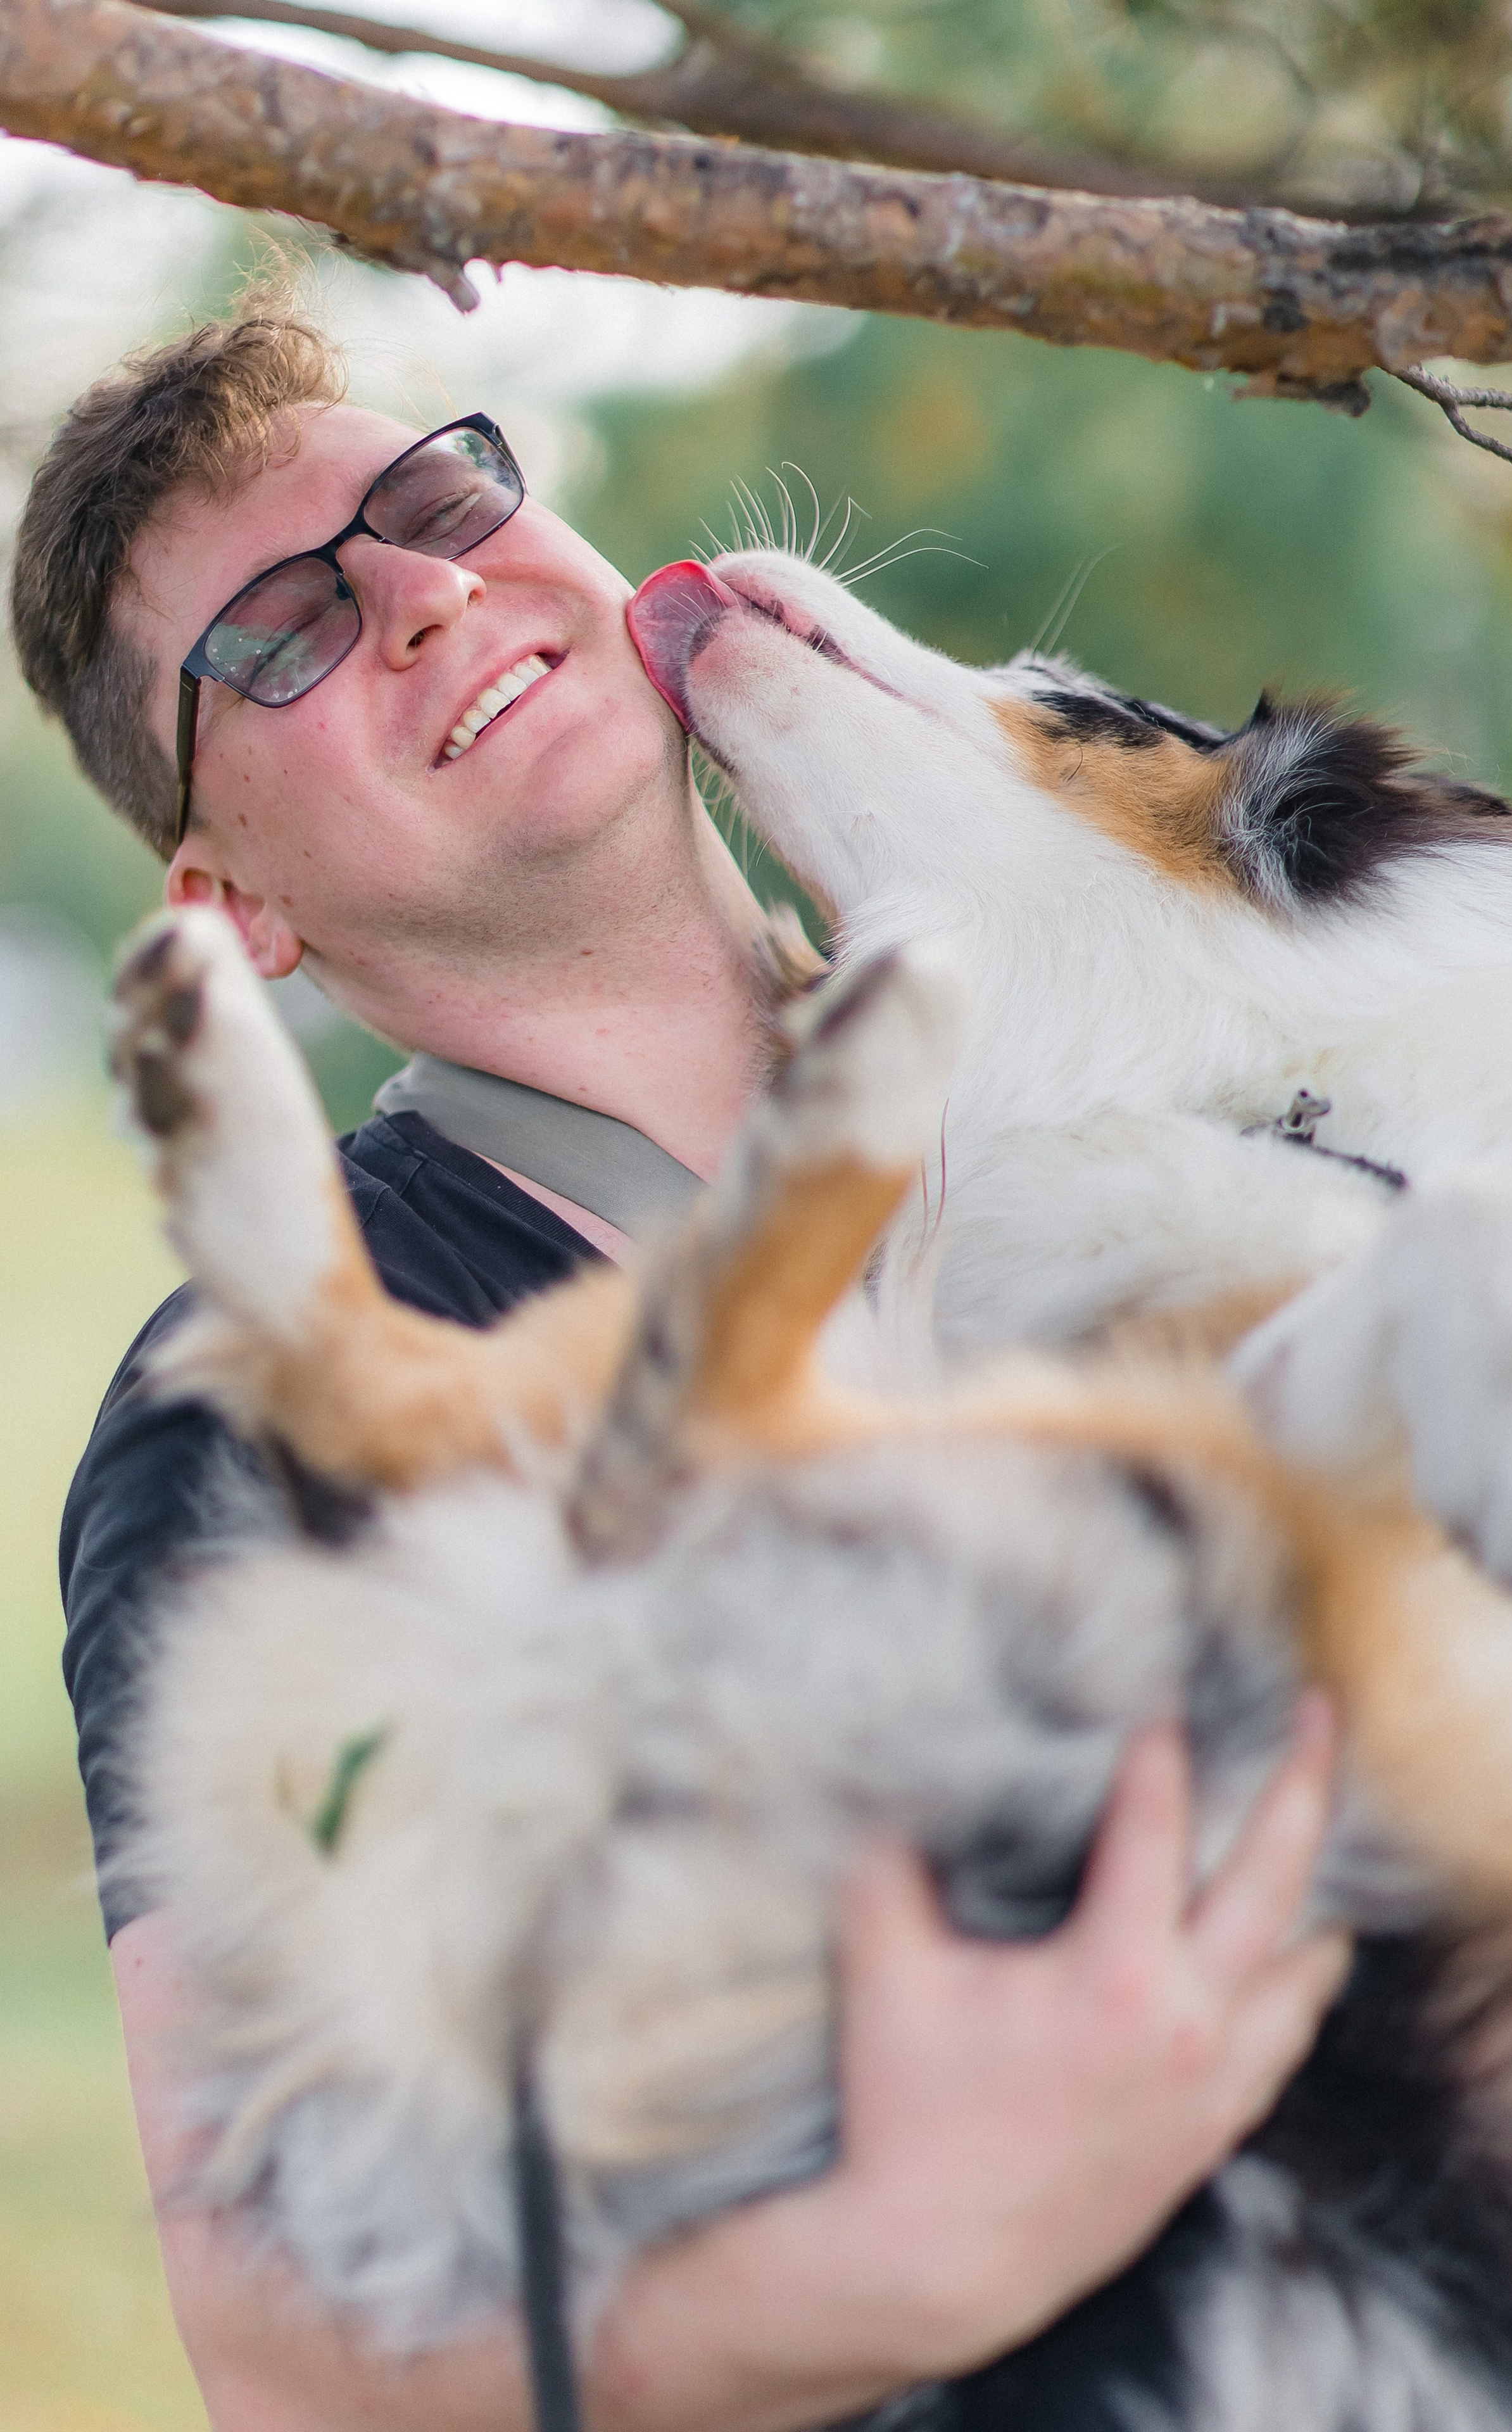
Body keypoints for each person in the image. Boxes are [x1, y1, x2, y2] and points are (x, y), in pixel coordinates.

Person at [14, 298, 1350, 2432]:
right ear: (230, 904)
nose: (424, 594)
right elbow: (277, 2336)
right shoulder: (276, 1399)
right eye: (281, 633)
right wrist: (900, 2269)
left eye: (437, 499)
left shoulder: (1134, 1069)